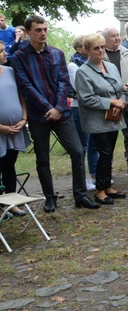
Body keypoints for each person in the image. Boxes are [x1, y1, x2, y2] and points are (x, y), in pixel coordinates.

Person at [12, 15, 99, 211]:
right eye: (38, 30)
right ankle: (50, 197)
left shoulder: (57, 54)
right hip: (38, 116)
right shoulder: (19, 57)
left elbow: (63, 82)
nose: (43, 33)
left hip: (61, 113)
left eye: (45, 29)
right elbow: (26, 87)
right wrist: (47, 108)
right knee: (43, 159)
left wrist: (58, 108)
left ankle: (80, 195)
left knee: (77, 151)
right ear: (27, 32)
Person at [75, 34, 127, 205]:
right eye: (96, 48)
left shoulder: (111, 67)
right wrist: (112, 101)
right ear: (88, 51)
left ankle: (107, 186)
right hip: (97, 119)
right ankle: (99, 190)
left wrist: (122, 102)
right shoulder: (83, 71)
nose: (101, 50)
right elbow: (86, 98)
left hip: (114, 117)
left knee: (109, 153)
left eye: (103, 47)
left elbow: (121, 89)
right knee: (104, 153)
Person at [0, 41, 31, 219]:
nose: (5, 54)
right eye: (1, 51)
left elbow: (21, 96)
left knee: (9, 166)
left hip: (16, 128)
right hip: (1, 130)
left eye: (4, 50)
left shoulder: (11, 72)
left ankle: (11, 203)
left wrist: (24, 118)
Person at [102, 26, 128, 175]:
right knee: (109, 137)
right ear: (105, 39)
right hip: (109, 101)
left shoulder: (126, 52)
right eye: (113, 36)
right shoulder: (101, 55)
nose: (117, 38)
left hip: (127, 99)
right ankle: (106, 167)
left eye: (118, 35)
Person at [68, 36, 99, 191]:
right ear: (79, 49)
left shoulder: (92, 65)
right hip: (78, 108)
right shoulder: (73, 66)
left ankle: (95, 173)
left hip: (92, 107)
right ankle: (82, 179)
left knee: (93, 143)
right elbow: (80, 87)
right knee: (82, 145)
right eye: (87, 47)